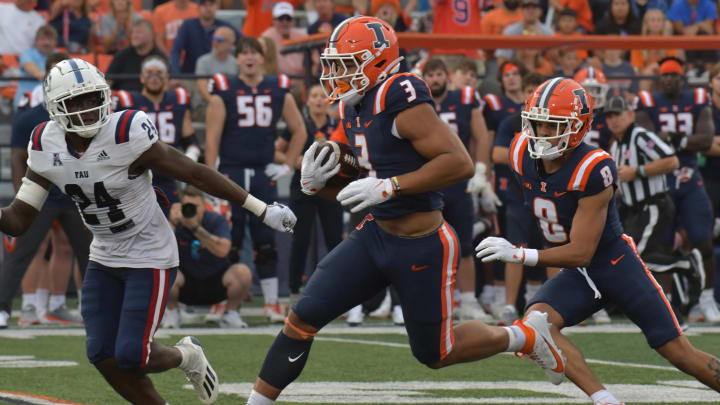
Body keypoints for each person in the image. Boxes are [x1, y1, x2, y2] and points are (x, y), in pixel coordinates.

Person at [244, 16, 567, 405]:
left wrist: (390, 185)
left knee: (436, 353)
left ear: (378, 61)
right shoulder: (353, 104)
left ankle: (526, 336)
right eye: (336, 64)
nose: (337, 74)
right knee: (302, 318)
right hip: (375, 233)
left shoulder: (399, 93)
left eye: (347, 63)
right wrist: (319, 183)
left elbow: (459, 162)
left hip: (422, 241)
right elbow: (356, 189)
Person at [0, 57, 296, 403]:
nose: (88, 109)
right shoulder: (44, 143)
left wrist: (260, 208)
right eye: (75, 102)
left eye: (93, 98)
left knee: (131, 355)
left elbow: (194, 172)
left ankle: (187, 355)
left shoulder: (125, 131)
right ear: (54, 108)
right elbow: (20, 219)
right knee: (101, 353)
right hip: (105, 253)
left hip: (149, 251)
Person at [476, 77, 720, 405]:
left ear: (578, 128)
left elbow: (581, 251)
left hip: (613, 264)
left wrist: (521, 254)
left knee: (679, 353)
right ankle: (605, 400)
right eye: (538, 123)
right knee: (537, 324)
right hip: (578, 272)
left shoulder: (594, 166)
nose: (543, 133)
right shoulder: (521, 150)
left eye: (553, 126)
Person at [205, 36, 308, 322]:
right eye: (244, 53)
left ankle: (272, 303)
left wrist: (287, 165)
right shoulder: (223, 89)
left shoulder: (278, 88)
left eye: (254, 52)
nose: (249, 57)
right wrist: (211, 176)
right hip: (232, 172)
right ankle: (224, 300)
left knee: (266, 239)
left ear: (263, 57)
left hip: (263, 171)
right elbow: (212, 139)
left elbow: (299, 129)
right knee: (231, 238)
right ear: (237, 58)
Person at [0, 52, 92, 330]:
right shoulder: (31, 118)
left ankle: (100, 308)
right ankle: (4, 307)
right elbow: (18, 158)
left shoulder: (87, 115)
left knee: (93, 253)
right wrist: (22, 195)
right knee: (21, 250)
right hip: (42, 194)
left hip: (76, 194)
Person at [635, 56, 720, 323]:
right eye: (665, 75)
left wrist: (671, 138)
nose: (669, 79)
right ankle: (667, 303)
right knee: (661, 246)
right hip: (662, 185)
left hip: (689, 181)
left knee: (702, 239)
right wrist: (686, 142)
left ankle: (705, 300)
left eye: (674, 75)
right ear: (659, 79)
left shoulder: (696, 98)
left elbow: (706, 140)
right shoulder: (648, 101)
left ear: (682, 78)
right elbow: (647, 140)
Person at [606, 95, 703, 325]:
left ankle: (687, 266)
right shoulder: (615, 144)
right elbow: (621, 180)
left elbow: (672, 162)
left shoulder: (640, 136)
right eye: (609, 116)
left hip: (653, 205)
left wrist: (638, 171)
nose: (613, 120)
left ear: (630, 114)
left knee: (635, 259)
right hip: (633, 210)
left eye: (617, 114)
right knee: (633, 258)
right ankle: (670, 295)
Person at [422, 58, 493, 322]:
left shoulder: (465, 97)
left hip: (459, 182)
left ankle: (469, 300)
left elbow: (481, 135)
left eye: (439, 74)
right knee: (429, 246)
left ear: (447, 76)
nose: (435, 79)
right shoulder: (417, 102)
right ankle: (435, 300)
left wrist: (482, 170)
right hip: (428, 182)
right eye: (430, 75)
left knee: (464, 244)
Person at [491, 72, 553, 326]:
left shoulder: (553, 122)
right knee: (516, 248)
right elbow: (496, 154)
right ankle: (508, 305)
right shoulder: (512, 122)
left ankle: (550, 304)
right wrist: (533, 153)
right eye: (529, 91)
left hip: (549, 193)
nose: (532, 97)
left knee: (552, 248)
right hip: (520, 194)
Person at [275, 83, 343, 306]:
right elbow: (277, 150)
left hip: (329, 188)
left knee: (335, 241)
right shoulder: (300, 126)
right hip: (303, 188)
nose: (318, 100)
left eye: (322, 96)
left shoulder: (337, 126)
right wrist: (292, 160)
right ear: (307, 101)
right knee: (300, 240)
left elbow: (350, 154)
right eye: (314, 95)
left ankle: (339, 290)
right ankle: (294, 291)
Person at [113, 55, 198, 208]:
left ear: (166, 78)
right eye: (149, 72)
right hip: (137, 176)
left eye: (159, 73)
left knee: (171, 224)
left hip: (169, 174)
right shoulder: (127, 101)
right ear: (141, 77)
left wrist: (190, 157)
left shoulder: (178, 99)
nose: (154, 77)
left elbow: (191, 141)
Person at [164, 185, 253, 328]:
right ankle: (172, 313)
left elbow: (223, 250)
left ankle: (231, 314)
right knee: (163, 271)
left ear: (204, 206)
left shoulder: (216, 221)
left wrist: (195, 227)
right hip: (186, 283)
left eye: (196, 206)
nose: (191, 210)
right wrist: (172, 224)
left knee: (243, 272)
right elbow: (160, 252)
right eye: (188, 206)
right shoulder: (176, 222)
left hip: (217, 282)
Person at [170, 0, 240, 74]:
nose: (208, 8)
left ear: (217, 6)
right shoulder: (188, 25)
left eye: (211, 4)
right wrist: (176, 74)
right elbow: (176, 50)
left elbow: (242, 43)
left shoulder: (224, 26)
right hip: (191, 75)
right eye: (204, 5)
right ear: (198, 7)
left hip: (218, 75)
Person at [106, 19, 167, 92]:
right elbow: (108, 81)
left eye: (139, 32)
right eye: (133, 32)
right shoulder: (122, 55)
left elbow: (166, 84)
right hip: (124, 99)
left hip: (150, 99)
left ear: (151, 35)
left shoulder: (160, 58)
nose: (134, 35)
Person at [260, 2, 310, 84]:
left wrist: (307, 80)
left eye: (288, 18)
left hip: (300, 83)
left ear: (292, 20)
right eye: (281, 18)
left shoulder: (302, 36)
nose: (285, 22)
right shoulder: (266, 38)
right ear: (274, 20)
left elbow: (315, 60)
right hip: (275, 82)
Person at [14, 25, 58, 111]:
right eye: (43, 39)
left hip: (52, 104)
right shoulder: (27, 54)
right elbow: (36, 73)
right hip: (27, 103)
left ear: (55, 42)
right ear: (36, 42)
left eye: (50, 39)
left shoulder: (59, 55)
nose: (46, 43)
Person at [196, 26, 238, 103]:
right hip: (206, 104)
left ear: (230, 44)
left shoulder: (236, 63)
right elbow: (202, 87)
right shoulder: (203, 61)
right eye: (214, 38)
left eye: (219, 40)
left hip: (231, 103)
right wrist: (215, 104)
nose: (214, 42)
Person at [574, 66, 611, 151]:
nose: (591, 94)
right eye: (586, 89)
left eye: (595, 90)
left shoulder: (608, 117)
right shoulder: (571, 116)